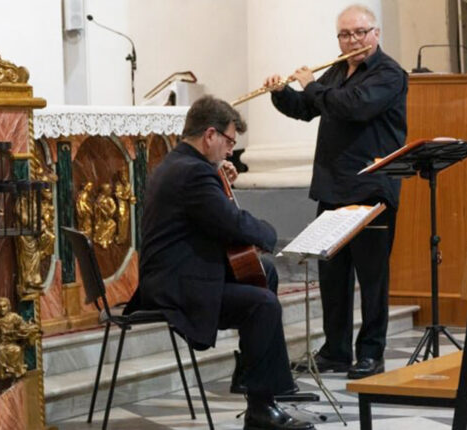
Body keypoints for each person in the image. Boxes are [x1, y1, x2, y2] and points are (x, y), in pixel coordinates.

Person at [126, 95, 313, 430]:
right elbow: (233, 223)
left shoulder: (181, 164)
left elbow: (210, 219)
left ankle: (257, 380)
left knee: (263, 272)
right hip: (177, 286)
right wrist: (271, 234)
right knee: (264, 305)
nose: (230, 151)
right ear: (209, 135)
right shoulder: (193, 174)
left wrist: (217, 175)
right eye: (229, 142)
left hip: (176, 273)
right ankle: (261, 407)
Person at [264, 4, 407, 380]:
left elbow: (354, 108)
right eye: (345, 34)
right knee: (333, 275)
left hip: (372, 190)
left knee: (372, 277)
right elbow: (307, 109)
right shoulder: (338, 70)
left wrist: (311, 85)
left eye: (360, 32)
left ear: (376, 33)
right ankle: (336, 351)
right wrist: (282, 93)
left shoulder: (390, 74)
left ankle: (371, 353)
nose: (352, 40)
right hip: (334, 187)